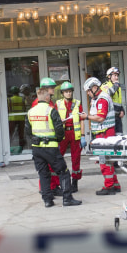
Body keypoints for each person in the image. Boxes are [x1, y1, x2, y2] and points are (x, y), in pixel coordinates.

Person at [26, 78, 81, 208]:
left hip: (37, 148)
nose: (53, 92)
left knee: (43, 174)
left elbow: (27, 131)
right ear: (46, 95)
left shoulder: (30, 111)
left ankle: (47, 200)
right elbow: (59, 129)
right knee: (63, 171)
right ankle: (67, 198)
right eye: (51, 90)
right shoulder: (50, 109)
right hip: (50, 147)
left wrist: (36, 139)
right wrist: (57, 139)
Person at [84, 77, 122, 195]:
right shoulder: (97, 99)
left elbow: (100, 118)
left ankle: (109, 186)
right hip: (104, 132)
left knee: (104, 160)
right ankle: (115, 184)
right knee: (108, 160)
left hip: (104, 133)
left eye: (89, 91)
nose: (88, 94)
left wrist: (85, 117)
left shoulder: (101, 99)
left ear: (95, 87)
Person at [56, 81, 86, 192]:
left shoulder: (77, 103)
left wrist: (83, 135)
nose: (68, 94)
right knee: (58, 157)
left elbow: (82, 120)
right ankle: (58, 182)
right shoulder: (58, 104)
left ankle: (75, 182)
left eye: (70, 91)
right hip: (63, 134)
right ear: (62, 93)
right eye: (66, 92)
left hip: (75, 134)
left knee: (76, 158)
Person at [101, 67, 125, 134]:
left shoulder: (117, 86)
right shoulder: (104, 85)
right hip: (109, 117)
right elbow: (109, 93)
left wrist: (122, 110)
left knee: (119, 136)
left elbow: (118, 101)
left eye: (117, 76)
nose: (116, 78)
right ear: (109, 76)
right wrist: (116, 85)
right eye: (115, 75)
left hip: (118, 117)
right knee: (111, 138)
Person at [7, 85, 27, 150]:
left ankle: (9, 146)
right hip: (21, 118)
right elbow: (24, 108)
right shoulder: (22, 99)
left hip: (12, 119)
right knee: (21, 134)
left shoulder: (9, 100)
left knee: (11, 133)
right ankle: (22, 147)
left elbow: (8, 109)